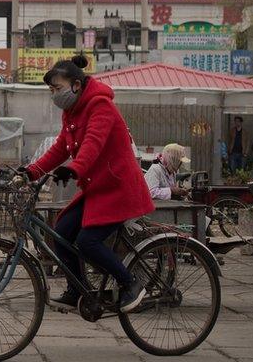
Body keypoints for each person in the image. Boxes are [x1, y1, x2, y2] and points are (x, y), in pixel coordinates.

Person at [22, 54, 154, 313]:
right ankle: (77, 291)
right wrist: (31, 171)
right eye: (51, 90)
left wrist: (73, 169)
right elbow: (61, 147)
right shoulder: (71, 113)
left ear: (76, 85)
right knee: (61, 232)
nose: (54, 95)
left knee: (87, 242)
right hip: (98, 189)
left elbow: (93, 143)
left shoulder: (100, 106)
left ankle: (131, 284)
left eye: (57, 88)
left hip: (118, 189)